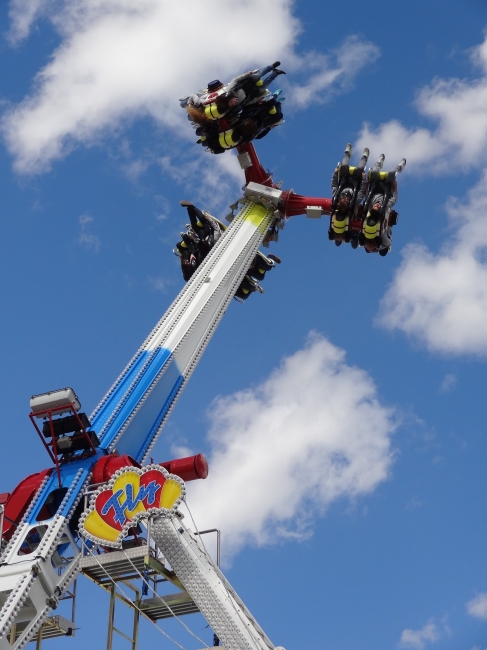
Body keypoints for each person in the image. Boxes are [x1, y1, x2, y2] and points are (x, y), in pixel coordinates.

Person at [361, 155, 406, 255]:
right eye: (377, 207)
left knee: (374, 173)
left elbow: (365, 193)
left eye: (375, 207)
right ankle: (400, 166)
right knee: (391, 174)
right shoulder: (385, 207)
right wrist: (395, 188)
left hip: (375, 188)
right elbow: (394, 199)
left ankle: (379, 162)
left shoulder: (369, 206)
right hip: (386, 190)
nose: (376, 205)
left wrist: (365, 182)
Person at [329, 144, 369, 245]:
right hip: (355, 182)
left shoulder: (336, 196)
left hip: (345, 179)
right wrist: (364, 179)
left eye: (344, 200)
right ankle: (365, 156)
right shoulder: (354, 202)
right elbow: (361, 192)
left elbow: (334, 185)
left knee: (344, 166)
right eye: (347, 201)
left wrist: (335, 173)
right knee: (360, 169)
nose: (347, 199)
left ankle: (347, 153)